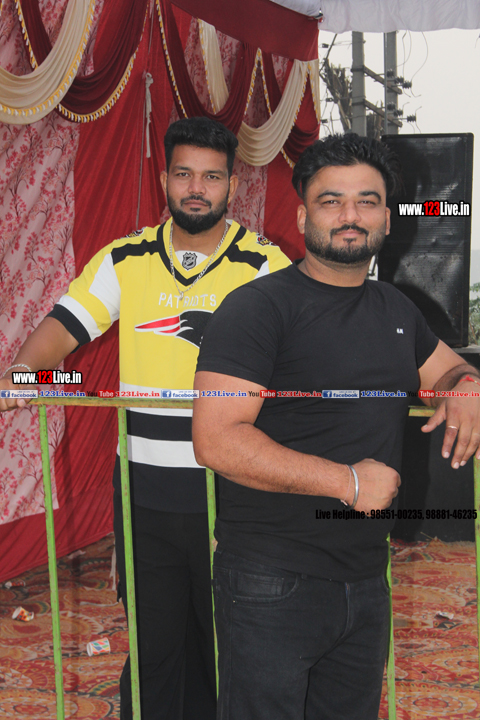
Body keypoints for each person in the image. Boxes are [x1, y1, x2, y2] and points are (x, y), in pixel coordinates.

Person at [0, 117, 290, 720]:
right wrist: (22, 372)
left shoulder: (265, 265)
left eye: (211, 177)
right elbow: (63, 328)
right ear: (165, 180)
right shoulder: (125, 257)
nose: (196, 188)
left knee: (228, 639)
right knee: (154, 641)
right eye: (184, 174)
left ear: (232, 186)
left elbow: (302, 353)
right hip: (143, 490)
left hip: (233, 490)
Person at [192, 133, 480, 720]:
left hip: (366, 577)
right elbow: (216, 438)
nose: (350, 215)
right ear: (303, 216)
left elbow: (448, 368)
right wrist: (346, 482)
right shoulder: (258, 308)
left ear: (386, 218)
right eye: (331, 201)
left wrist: (466, 385)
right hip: (271, 578)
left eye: (367, 201)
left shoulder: (396, 310)